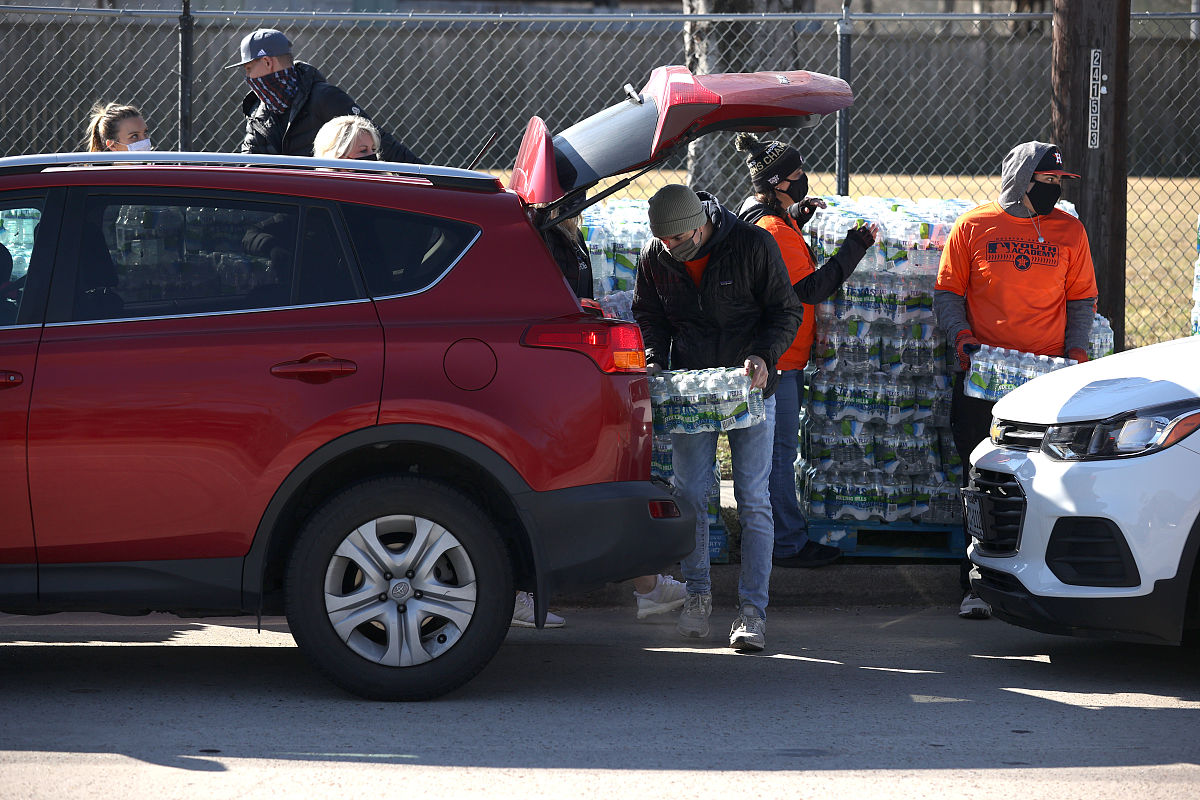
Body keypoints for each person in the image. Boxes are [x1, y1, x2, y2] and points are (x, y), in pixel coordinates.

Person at [633, 184, 802, 652]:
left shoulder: (752, 244)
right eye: (664, 242)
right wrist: (654, 357)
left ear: (702, 221)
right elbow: (649, 313)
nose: (673, 248)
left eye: (680, 238)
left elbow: (786, 311)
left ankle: (752, 612)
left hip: (750, 387)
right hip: (693, 388)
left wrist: (764, 356)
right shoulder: (656, 256)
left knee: (753, 497)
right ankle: (697, 596)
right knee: (689, 492)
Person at [934, 141, 1098, 619]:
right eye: (1048, 182)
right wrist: (961, 337)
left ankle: (1049, 580)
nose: (1056, 192)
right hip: (984, 377)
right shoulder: (975, 226)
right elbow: (948, 291)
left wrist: (1076, 353)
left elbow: (1082, 300)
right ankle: (976, 583)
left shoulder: (1071, 230)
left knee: (1047, 479)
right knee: (982, 479)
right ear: (1022, 182)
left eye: (1060, 184)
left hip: (1046, 381)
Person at [530, 208, 689, 625]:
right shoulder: (545, 237)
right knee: (580, 479)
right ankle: (646, 586)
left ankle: (647, 586)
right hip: (556, 376)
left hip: (567, 372)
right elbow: (552, 306)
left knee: (594, 477)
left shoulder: (565, 236)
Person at [734, 132, 878, 570]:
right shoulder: (772, 229)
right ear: (777, 183)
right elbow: (810, 289)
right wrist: (855, 246)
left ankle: (779, 537)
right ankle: (787, 544)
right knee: (777, 455)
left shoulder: (761, 214)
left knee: (772, 453)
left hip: (775, 357)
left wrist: (799, 214)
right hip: (777, 360)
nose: (803, 182)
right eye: (796, 178)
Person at [227, 28, 421, 163]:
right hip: (280, 208)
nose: (248, 77)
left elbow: (376, 140)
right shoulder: (259, 111)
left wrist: (429, 178)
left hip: (322, 205)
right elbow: (248, 163)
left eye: (249, 68)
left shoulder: (324, 97)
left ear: (268, 62)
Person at [83, 102, 152, 152]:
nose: (144, 140)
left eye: (145, 133)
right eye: (134, 136)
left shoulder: (158, 169)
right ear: (112, 145)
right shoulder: (96, 172)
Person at [313, 114, 382, 161]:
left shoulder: (384, 181)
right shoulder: (318, 182)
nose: (373, 155)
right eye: (363, 150)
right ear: (338, 156)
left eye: (373, 149)